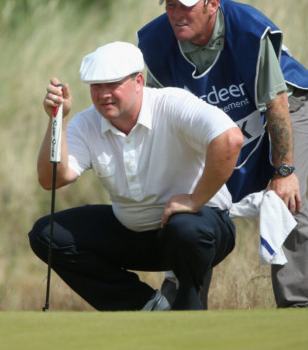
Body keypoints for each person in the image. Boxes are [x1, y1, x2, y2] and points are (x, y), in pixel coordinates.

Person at [137, 0, 308, 308]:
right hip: (213, 118)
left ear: (212, 3)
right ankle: (184, 307)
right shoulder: (156, 44)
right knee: (194, 202)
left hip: (279, 103)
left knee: (286, 199)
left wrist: (283, 172)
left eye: (187, 5)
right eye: (170, 5)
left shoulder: (250, 31)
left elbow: (275, 103)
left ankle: (299, 306)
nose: (177, 14)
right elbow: (161, 120)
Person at [28, 41, 243, 311]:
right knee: (46, 235)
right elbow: (51, 179)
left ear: (139, 81)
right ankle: (146, 307)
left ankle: (189, 302)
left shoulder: (172, 104)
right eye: (96, 86)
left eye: (112, 85)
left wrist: (195, 199)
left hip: (200, 230)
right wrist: (56, 120)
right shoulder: (86, 123)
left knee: (184, 229)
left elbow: (230, 139)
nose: (103, 94)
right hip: (135, 234)